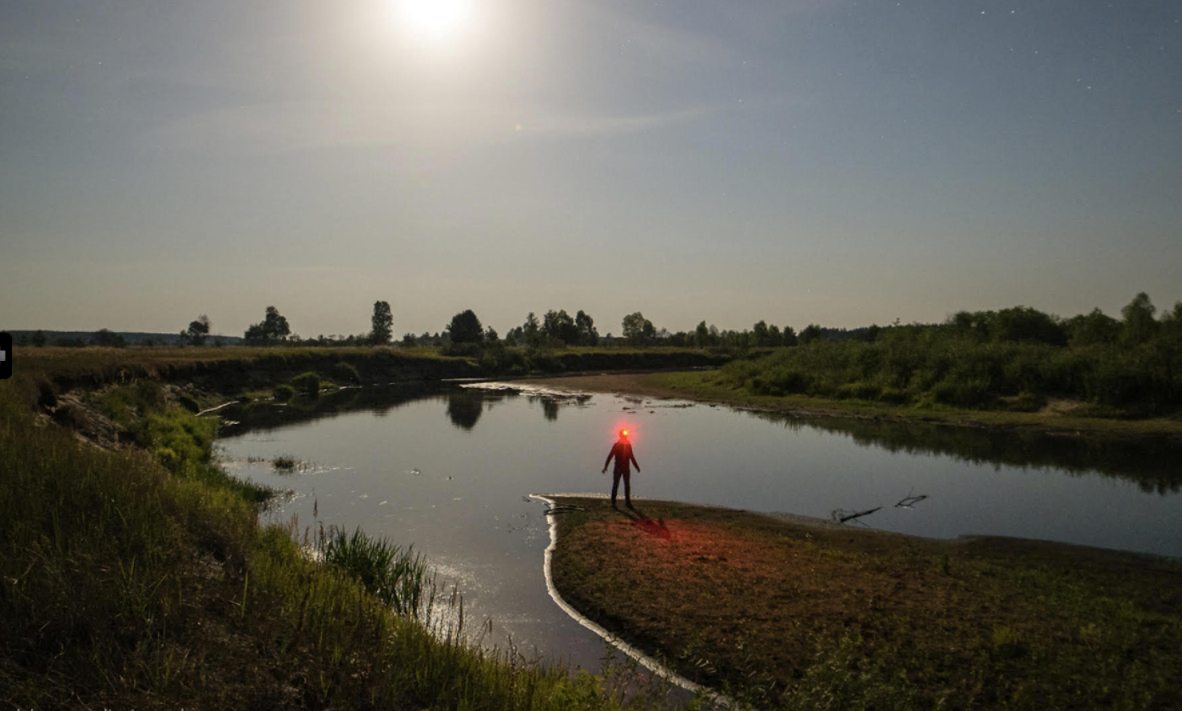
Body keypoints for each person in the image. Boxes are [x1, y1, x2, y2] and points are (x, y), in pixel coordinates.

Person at [602, 429, 640, 508]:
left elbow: (631, 456)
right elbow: (610, 456)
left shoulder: (628, 445)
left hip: (625, 468)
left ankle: (627, 501)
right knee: (617, 484)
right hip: (619, 468)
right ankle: (614, 501)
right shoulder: (616, 445)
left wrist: (636, 467)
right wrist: (605, 466)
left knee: (625, 485)